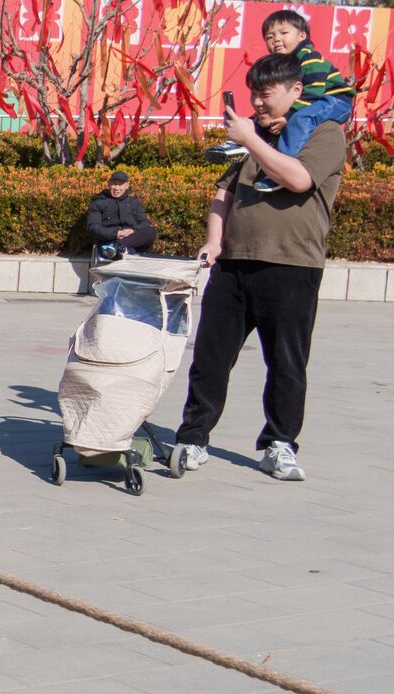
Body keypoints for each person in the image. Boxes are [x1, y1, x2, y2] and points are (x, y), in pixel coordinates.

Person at [174, 54, 346, 482]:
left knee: (286, 363)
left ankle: (279, 444)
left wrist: (252, 140)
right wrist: (214, 241)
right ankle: (194, 438)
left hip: (291, 266)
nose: (259, 102)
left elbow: (300, 179)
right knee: (211, 358)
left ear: (295, 91)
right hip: (233, 265)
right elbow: (222, 196)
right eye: (254, 94)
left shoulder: (324, 133)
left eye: (267, 94)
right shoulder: (251, 137)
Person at [206, 10, 353, 194]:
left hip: (335, 100)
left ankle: (283, 164)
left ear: (302, 35)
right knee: (260, 118)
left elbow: (314, 91)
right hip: (318, 100)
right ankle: (237, 143)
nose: (275, 39)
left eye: (284, 33)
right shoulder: (288, 64)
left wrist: (289, 116)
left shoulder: (310, 58)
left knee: (301, 119)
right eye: (269, 36)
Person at [86, 170, 155, 260]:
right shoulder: (98, 202)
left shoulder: (133, 202)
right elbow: (93, 227)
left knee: (150, 231)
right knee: (106, 240)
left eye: (120, 184)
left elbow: (144, 222)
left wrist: (132, 231)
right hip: (109, 239)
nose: (117, 188)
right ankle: (119, 249)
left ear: (126, 186)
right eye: (114, 184)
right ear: (109, 184)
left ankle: (119, 248)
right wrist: (116, 233)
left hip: (131, 239)